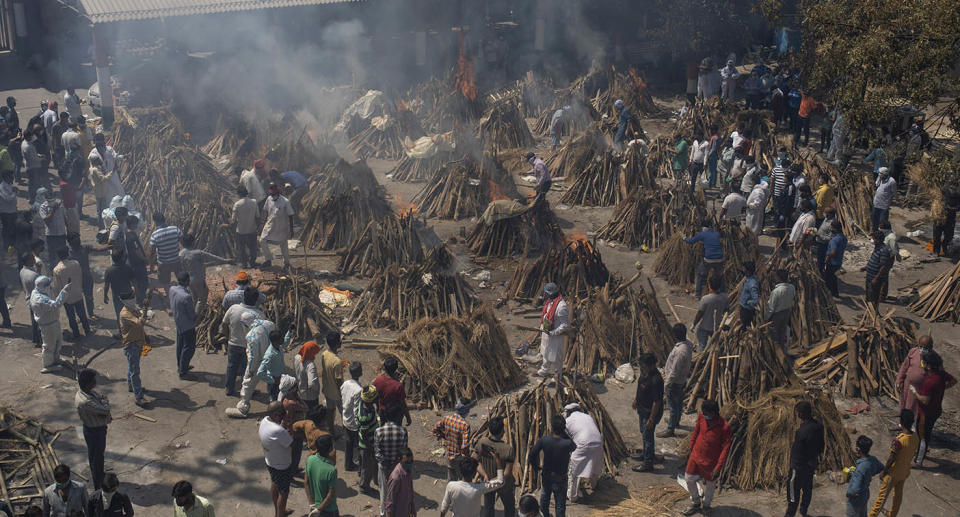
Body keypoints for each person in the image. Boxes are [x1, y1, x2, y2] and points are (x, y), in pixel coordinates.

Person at [682, 400, 731, 516]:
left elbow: (725, 449)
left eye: (707, 414)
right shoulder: (701, 417)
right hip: (696, 455)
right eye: (703, 413)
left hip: (711, 461)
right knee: (688, 479)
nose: (704, 416)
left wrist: (718, 467)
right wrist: (691, 446)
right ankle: (695, 502)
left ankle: (707, 505)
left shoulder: (724, 427)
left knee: (710, 485)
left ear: (714, 413)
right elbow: (696, 432)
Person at [868, 410, 919, 517]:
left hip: (893, 474)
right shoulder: (915, 437)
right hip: (904, 472)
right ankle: (892, 514)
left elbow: (891, 459)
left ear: (901, 422)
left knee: (881, 500)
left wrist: (884, 472)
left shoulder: (898, 441)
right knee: (898, 497)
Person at [911, 350, 956, 466]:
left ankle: (918, 461)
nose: (922, 364)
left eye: (924, 363)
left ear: (929, 366)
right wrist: (942, 389)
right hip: (936, 411)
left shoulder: (929, 381)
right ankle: (922, 453)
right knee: (927, 433)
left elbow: (925, 400)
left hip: (925, 413)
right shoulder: (941, 374)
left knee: (922, 437)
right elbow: (953, 381)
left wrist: (915, 392)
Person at [528, 415, 575, 517]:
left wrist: (536, 467)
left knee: (544, 502)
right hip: (561, 477)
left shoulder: (545, 440)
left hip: (547, 476)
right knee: (560, 505)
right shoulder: (567, 443)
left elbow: (532, 454)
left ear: (552, 427)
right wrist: (565, 433)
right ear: (563, 428)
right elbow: (574, 447)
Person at [783, 401, 825, 517]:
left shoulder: (801, 432)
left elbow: (796, 451)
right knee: (807, 490)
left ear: (800, 414)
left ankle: (789, 515)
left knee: (792, 495)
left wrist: (792, 466)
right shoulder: (818, 426)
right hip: (810, 465)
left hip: (798, 467)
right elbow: (821, 446)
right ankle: (803, 511)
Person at [221, 288, 264, 396]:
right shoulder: (259, 314)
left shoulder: (233, 308)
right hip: (249, 347)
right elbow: (261, 333)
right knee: (248, 370)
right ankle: (247, 391)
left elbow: (224, 324)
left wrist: (228, 337)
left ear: (244, 297)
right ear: (256, 300)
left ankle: (229, 389)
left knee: (231, 367)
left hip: (233, 344)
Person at [76, 368, 111, 491]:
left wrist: (103, 400)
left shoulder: (87, 393)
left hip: (95, 429)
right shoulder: (86, 401)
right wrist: (105, 401)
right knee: (97, 458)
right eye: (93, 380)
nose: (95, 382)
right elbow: (105, 409)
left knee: (95, 456)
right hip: (95, 432)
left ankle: (99, 476)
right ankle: (99, 485)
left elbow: (101, 398)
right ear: (88, 384)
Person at [473, 417, 515, 517]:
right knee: (509, 507)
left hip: (487, 482)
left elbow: (475, 460)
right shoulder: (508, 449)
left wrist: (485, 475)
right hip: (504, 485)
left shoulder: (482, 442)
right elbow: (507, 473)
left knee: (488, 506)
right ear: (502, 432)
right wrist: (496, 480)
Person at [440, 454, 505, 517]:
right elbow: (500, 481)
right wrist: (497, 460)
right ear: (474, 473)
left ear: (460, 471)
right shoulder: (479, 487)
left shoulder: (451, 486)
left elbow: (444, 507)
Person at [658, 324, 693, 439]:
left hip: (675, 382)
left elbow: (674, 371)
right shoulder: (688, 344)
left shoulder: (680, 351)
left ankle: (670, 429)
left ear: (675, 335)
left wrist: (666, 385)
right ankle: (675, 421)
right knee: (678, 404)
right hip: (681, 380)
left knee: (673, 406)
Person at [260, 401, 294, 517]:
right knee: (284, 493)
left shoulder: (264, 421)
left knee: (275, 483)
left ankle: (278, 511)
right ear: (276, 415)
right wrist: (289, 425)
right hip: (282, 465)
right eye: (282, 414)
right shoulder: (279, 431)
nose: (284, 415)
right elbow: (290, 442)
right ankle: (280, 514)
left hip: (270, 461)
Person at [563, 403, 602, 503]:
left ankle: (572, 496)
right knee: (595, 463)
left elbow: (566, 438)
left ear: (568, 412)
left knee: (574, 470)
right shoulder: (588, 416)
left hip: (583, 443)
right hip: (598, 442)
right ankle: (594, 485)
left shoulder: (568, 421)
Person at [178, 234, 229, 310]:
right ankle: (196, 316)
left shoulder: (181, 254)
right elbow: (213, 257)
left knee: (194, 297)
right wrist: (225, 260)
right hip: (198, 279)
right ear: (193, 242)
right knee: (202, 299)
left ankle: (190, 313)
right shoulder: (198, 253)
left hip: (188, 279)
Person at [632, 353, 663, 472]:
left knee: (648, 437)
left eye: (643, 365)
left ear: (650, 365)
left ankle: (648, 463)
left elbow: (657, 402)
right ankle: (646, 454)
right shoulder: (645, 373)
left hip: (650, 413)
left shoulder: (656, 380)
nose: (641, 367)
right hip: (642, 409)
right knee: (644, 434)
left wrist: (651, 419)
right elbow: (640, 386)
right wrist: (636, 399)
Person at [376, 404, 409, 516]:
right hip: (397, 467)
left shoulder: (379, 431)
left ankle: (383, 512)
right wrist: (395, 463)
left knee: (384, 491)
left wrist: (385, 462)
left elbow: (377, 453)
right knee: (397, 491)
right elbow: (404, 451)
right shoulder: (403, 431)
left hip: (384, 466)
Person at [30, 275, 69, 373]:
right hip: (48, 325)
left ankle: (55, 359)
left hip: (54, 322)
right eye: (48, 285)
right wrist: (64, 291)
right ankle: (48, 365)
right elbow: (56, 304)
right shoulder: (39, 299)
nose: (50, 286)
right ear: (43, 286)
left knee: (58, 341)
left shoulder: (41, 291)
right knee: (49, 346)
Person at [119, 292, 150, 408]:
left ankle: (131, 386)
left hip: (137, 342)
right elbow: (140, 323)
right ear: (126, 300)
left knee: (131, 367)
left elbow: (139, 326)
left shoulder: (132, 309)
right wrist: (146, 308)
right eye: (132, 297)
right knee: (135, 372)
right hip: (132, 345)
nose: (134, 298)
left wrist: (145, 336)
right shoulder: (125, 314)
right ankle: (139, 397)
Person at [88, 134, 124, 229]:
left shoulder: (109, 149)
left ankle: (120, 216)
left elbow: (115, 156)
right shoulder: (93, 153)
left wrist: (122, 157)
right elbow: (92, 168)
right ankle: (108, 222)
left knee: (118, 195)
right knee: (106, 201)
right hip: (102, 180)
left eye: (101, 142)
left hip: (113, 177)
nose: (100, 145)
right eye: (97, 143)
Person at [54, 248, 91, 339]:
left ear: (58, 256)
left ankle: (76, 334)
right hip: (77, 292)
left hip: (67, 297)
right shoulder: (75, 263)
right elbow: (80, 276)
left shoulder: (57, 269)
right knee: (82, 314)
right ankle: (87, 331)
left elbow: (58, 286)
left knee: (71, 317)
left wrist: (58, 297)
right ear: (67, 254)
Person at [536, 282, 570, 379]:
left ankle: (557, 375)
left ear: (551, 293)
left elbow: (565, 325)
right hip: (547, 333)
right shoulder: (550, 302)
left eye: (546, 293)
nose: (544, 295)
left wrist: (554, 333)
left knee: (557, 357)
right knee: (546, 353)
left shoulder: (561, 307)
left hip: (556, 337)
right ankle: (544, 371)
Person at [434, 398, 473, 481]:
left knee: (451, 480)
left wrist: (444, 436)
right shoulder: (465, 425)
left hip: (449, 455)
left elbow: (435, 429)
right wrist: (467, 458)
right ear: (466, 410)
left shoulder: (446, 419)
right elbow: (464, 447)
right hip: (459, 458)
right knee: (463, 480)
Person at [259, 183, 295, 269]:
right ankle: (268, 259)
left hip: (281, 226)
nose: (273, 196)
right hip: (270, 224)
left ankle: (287, 263)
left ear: (278, 193)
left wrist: (291, 229)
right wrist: (263, 223)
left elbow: (290, 215)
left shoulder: (285, 201)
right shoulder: (269, 199)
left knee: (283, 245)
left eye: (274, 194)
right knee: (262, 240)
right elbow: (266, 211)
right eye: (271, 194)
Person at [684, 220, 724, 298]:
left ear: (704, 227)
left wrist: (684, 238)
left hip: (709, 259)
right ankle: (722, 293)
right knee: (720, 276)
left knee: (700, 274)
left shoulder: (702, 234)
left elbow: (691, 241)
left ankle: (698, 295)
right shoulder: (716, 234)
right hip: (719, 259)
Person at [896, 336, 934, 417]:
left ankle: (912, 425)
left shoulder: (933, 358)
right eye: (920, 347)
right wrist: (899, 380)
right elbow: (904, 366)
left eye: (925, 348)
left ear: (931, 347)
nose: (922, 350)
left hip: (919, 389)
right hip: (907, 384)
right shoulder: (913, 352)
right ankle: (903, 422)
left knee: (914, 406)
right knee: (904, 402)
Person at [847, 435, 883, 517]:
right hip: (865, 494)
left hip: (855, 500)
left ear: (858, 449)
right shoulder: (873, 460)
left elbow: (854, 490)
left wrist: (848, 494)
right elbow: (881, 468)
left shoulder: (860, 469)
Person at [169, 272, 197, 379]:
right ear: (186, 282)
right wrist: (197, 314)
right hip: (187, 326)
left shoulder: (172, 289)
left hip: (178, 322)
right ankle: (183, 371)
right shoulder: (186, 297)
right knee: (189, 348)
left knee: (180, 345)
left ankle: (180, 365)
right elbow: (191, 315)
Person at [147, 212, 182, 296]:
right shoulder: (175, 229)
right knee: (181, 279)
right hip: (176, 260)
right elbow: (182, 243)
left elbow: (152, 252)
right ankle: (183, 295)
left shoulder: (155, 235)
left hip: (163, 263)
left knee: (166, 283)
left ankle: (170, 299)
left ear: (155, 222)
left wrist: (151, 265)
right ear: (164, 219)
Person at [306, 435, 340, 516]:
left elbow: (306, 482)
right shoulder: (331, 470)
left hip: (315, 504)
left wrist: (311, 503)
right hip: (329, 509)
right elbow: (330, 494)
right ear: (330, 449)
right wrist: (319, 509)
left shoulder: (310, 460)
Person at [373, 357, 412, 425]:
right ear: (396, 369)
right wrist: (408, 417)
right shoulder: (398, 386)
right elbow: (402, 403)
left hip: (382, 410)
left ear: (384, 368)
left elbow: (375, 396)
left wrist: (378, 407)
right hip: (395, 413)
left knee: (383, 428)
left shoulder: (378, 380)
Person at [693, 275, 728, 350]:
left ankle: (700, 357)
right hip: (717, 327)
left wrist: (694, 324)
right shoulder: (724, 298)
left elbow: (700, 313)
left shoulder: (706, 299)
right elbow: (726, 310)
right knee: (715, 346)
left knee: (702, 345)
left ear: (709, 286)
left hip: (704, 326)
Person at [341, 362, 364, 471]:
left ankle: (347, 463)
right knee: (358, 445)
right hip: (353, 423)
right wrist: (359, 424)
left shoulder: (346, 383)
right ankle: (355, 465)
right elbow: (357, 410)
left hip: (346, 417)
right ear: (360, 372)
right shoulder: (359, 390)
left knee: (348, 443)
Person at [765, 269, 796, 350]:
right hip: (787, 312)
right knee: (782, 332)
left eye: (776, 276)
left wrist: (767, 318)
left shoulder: (776, 291)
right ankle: (783, 349)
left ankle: (776, 352)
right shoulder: (792, 288)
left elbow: (771, 308)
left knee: (774, 334)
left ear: (779, 278)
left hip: (777, 315)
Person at [320, 332, 345, 432]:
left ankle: (331, 431)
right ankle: (346, 431)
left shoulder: (324, 354)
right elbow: (338, 380)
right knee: (344, 412)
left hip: (327, 390)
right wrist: (343, 392)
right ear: (337, 344)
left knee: (330, 411)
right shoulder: (337, 361)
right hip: (337, 393)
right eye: (340, 340)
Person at [103, 252, 134, 331]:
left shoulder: (109, 271)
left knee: (120, 315)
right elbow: (134, 282)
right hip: (129, 294)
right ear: (121, 258)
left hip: (117, 297)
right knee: (131, 313)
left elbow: (106, 285)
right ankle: (132, 331)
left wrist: (105, 296)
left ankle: (122, 333)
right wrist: (136, 292)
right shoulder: (127, 268)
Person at [358, 385, 380, 492]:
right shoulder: (365, 415)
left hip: (367, 442)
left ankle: (375, 479)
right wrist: (370, 448)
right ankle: (364, 486)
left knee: (365, 463)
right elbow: (365, 433)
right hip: (367, 444)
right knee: (367, 466)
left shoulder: (364, 404)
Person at [862, 232, 892, 311]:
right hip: (869, 275)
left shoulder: (884, 250)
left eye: (874, 239)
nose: (873, 240)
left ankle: (873, 313)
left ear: (879, 240)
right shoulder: (877, 247)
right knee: (868, 296)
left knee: (873, 297)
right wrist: (866, 267)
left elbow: (883, 266)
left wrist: (876, 278)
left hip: (874, 278)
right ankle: (868, 313)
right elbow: (874, 260)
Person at [258, 328, 291, 401]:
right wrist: (272, 380)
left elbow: (285, 343)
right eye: (281, 338)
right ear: (276, 341)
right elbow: (260, 372)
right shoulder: (269, 355)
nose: (283, 339)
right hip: (274, 384)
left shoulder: (279, 346)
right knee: (275, 401)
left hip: (282, 379)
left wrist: (289, 331)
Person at [38, 188, 68, 266]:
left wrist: (68, 228)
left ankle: (63, 268)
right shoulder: (43, 207)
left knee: (63, 252)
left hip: (61, 232)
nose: (51, 202)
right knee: (52, 253)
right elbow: (45, 219)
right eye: (49, 200)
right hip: (51, 234)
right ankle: (53, 270)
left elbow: (64, 217)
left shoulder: (60, 204)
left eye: (52, 200)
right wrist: (53, 210)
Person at [231, 186, 259, 268]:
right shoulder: (254, 202)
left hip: (241, 231)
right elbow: (258, 216)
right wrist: (257, 227)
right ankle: (252, 262)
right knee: (253, 248)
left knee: (242, 248)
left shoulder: (237, 204)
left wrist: (233, 228)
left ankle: (244, 264)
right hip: (252, 229)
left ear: (239, 194)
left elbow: (233, 220)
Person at [67, 234, 96, 316]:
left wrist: (109, 246)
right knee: (77, 299)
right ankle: (80, 315)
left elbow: (97, 249)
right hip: (75, 280)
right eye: (76, 239)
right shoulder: (67, 254)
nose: (78, 241)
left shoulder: (85, 248)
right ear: (70, 242)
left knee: (89, 297)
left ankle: (91, 313)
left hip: (87, 278)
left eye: (78, 239)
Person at [123, 216, 149, 303]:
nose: (137, 225)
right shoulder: (132, 237)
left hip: (132, 262)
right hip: (138, 263)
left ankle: (139, 297)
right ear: (133, 224)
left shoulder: (126, 234)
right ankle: (141, 299)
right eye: (136, 224)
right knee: (142, 282)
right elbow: (137, 250)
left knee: (137, 281)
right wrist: (145, 258)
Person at [384, 448, 416, 517]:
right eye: (407, 462)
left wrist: (412, 507)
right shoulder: (396, 478)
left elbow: (410, 491)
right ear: (399, 460)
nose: (409, 464)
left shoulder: (408, 471)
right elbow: (390, 502)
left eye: (411, 461)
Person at [19, 253, 42, 345]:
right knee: (40, 322)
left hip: (29, 299)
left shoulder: (22, 271)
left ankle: (35, 339)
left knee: (34, 321)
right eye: (32, 258)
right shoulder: (34, 275)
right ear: (28, 261)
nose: (34, 260)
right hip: (37, 300)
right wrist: (39, 271)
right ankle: (41, 340)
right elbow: (41, 285)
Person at [822, 220, 847, 298]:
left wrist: (827, 259)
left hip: (832, 262)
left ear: (835, 229)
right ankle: (835, 293)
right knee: (834, 278)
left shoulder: (835, 240)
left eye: (832, 228)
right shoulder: (843, 238)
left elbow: (832, 252)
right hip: (838, 261)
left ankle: (828, 295)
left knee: (828, 279)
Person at [295, 340, 321, 408]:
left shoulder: (297, 358)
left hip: (301, 391)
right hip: (311, 396)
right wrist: (317, 389)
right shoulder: (310, 365)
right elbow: (312, 383)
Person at [21, 127, 44, 200]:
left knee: (32, 183)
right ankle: (32, 198)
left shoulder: (24, 143)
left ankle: (32, 197)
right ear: (28, 136)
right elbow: (33, 159)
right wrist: (41, 158)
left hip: (29, 165)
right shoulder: (28, 146)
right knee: (33, 184)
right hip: (33, 167)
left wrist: (37, 155)